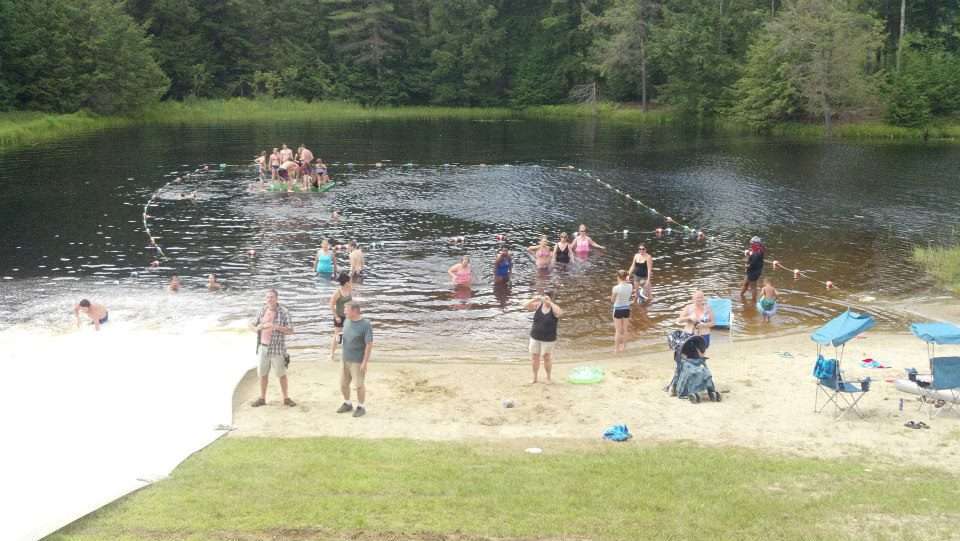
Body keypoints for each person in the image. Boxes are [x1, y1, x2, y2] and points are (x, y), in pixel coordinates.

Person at [250, 289, 295, 407]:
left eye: (272, 297)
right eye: (267, 297)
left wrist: (275, 326)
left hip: (277, 348)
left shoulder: (284, 312)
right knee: (262, 374)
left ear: (277, 298)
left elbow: (291, 331)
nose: (269, 299)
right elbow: (250, 324)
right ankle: (262, 398)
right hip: (262, 347)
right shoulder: (262, 310)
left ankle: (286, 398)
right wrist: (256, 329)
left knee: (281, 374)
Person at [337, 302, 373, 417]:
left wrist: (365, 362)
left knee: (358, 385)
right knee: (343, 384)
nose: (344, 312)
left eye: (346, 310)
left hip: (357, 361)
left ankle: (361, 407)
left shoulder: (366, 324)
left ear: (354, 311)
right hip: (345, 359)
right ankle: (348, 404)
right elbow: (345, 336)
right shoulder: (347, 321)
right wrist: (339, 338)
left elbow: (369, 344)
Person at [524, 291, 562, 384]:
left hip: (548, 339)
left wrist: (550, 303)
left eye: (547, 298)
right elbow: (525, 306)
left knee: (547, 357)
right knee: (534, 357)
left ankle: (548, 378)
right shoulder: (538, 305)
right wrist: (535, 299)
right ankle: (535, 378)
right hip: (535, 336)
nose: (545, 300)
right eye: (544, 297)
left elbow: (559, 313)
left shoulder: (554, 308)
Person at [329, 271, 353, 361]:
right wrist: (336, 316)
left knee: (349, 335)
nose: (350, 282)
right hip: (339, 316)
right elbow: (331, 304)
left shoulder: (350, 288)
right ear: (346, 282)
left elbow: (351, 302)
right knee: (337, 336)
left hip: (349, 316)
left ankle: (348, 353)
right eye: (349, 281)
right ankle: (332, 354)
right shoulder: (338, 292)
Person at [611, 270, 633, 353]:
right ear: (626, 277)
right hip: (626, 309)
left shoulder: (616, 288)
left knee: (618, 330)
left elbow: (612, 300)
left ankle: (616, 349)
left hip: (618, 309)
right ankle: (623, 347)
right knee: (625, 329)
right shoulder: (630, 286)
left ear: (618, 277)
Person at [740, 236, 765, 300]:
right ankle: (741, 296)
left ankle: (753, 301)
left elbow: (753, 263)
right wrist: (748, 253)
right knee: (745, 284)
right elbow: (752, 256)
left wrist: (746, 265)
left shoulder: (757, 253)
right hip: (753, 271)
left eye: (752, 243)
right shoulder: (758, 250)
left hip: (754, 272)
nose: (751, 245)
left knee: (753, 287)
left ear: (755, 244)